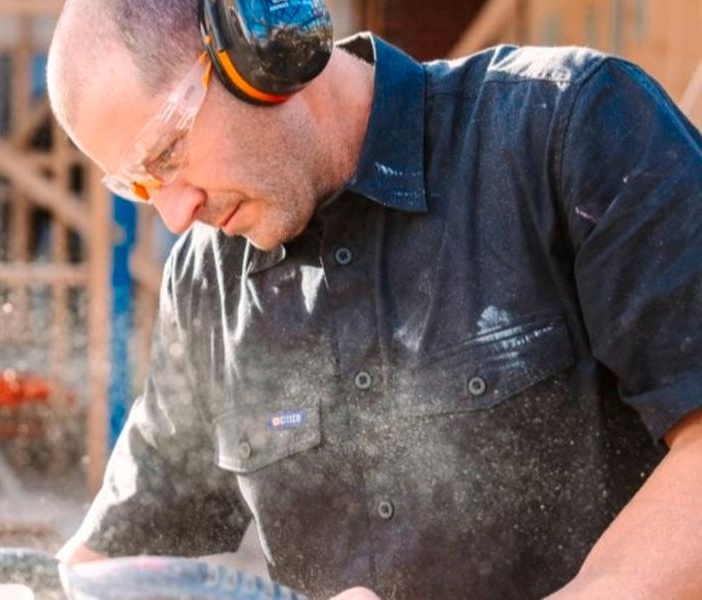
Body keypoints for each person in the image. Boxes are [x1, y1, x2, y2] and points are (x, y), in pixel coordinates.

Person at [45, 0, 702, 598]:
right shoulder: (205, 285)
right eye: (140, 186)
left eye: (169, 150)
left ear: (260, 46)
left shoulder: (569, 129)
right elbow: (109, 564)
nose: (176, 214)